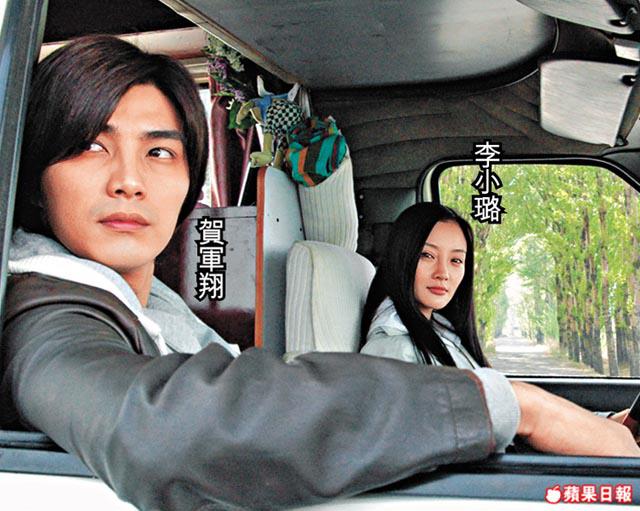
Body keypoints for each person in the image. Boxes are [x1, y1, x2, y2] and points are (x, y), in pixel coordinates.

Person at [0, 36, 637, 511]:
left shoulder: (151, 305)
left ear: (190, 182)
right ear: (35, 175)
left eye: (160, 151)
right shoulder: (47, 315)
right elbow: (159, 430)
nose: (129, 181)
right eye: (91, 146)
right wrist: (515, 406)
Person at [360, 202, 639, 453]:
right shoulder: (392, 351)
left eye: (456, 260)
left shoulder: (443, 334)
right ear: (401, 257)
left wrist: (609, 424)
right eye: (426, 255)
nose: (443, 273)